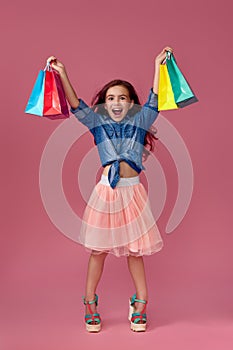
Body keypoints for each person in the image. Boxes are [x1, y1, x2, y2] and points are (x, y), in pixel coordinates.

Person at [47, 46, 173, 333]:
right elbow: (77, 106)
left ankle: (140, 303)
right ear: (104, 104)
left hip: (133, 193)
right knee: (98, 251)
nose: (116, 103)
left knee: (135, 252)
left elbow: (154, 101)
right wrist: (63, 73)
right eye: (110, 98)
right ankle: (90, 302)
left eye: (123, 98)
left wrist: (157, 65)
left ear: (131, 103)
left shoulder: (140, 121)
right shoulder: (98, 123)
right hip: (106, 193)